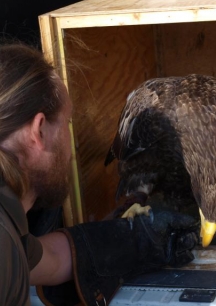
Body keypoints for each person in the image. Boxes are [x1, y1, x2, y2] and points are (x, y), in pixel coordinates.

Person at [0, 43, 198, 306]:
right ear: (39, 130)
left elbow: (47, 260)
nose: (72, 149)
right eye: (67, 124)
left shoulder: (10, 233)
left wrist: (131, 242)